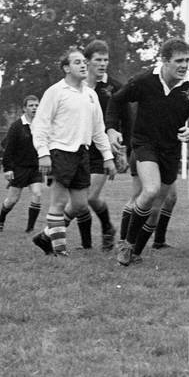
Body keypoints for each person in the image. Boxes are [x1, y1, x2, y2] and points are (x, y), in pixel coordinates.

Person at [106, 38, 189, 266]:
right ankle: (127, 245)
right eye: (178, 61)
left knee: (156, 208)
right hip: (144, 144)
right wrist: (112, 129)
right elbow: (116, 101)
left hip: (171, 149)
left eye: (187, 60)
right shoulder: (144, 81)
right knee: (150, 190)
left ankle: (135, 253)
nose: (184, 65)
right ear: (164, 61)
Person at [30, 48, 116, 256]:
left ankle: (45, 238)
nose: (83, 65)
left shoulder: (91, 95)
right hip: (60, 152)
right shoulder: (55, 92)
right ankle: (60, 252)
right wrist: (43, 153)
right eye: (77, 62)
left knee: (79, 205)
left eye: (84, 62)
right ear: (66, 68)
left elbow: (98, 130)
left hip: (82, 154)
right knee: (58, 203)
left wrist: (108, 157)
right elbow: (40, 125)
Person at [80, 40, 123, 251]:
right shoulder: (76, 86)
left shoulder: (115, 88)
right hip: (79, 148)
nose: (103, 63)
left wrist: (123, 147)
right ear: (87, 62)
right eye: (98, 60)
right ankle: (86, 243)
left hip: (103, 149)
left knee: (90, 196)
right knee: (79, 197)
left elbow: (126, 119)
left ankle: (107, 228)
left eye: (106, 60)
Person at [0, 95, 44, 232]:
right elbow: (8, 148)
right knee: (12, 200)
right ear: (24, 108)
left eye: (36, 105)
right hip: (19, 168)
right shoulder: (17, 126)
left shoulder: (42, 124)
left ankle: (29, 229)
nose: (34, 108)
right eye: (31, 105)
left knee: (37, 194)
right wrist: (8, 168)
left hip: (36, 168)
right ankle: (1, 219)